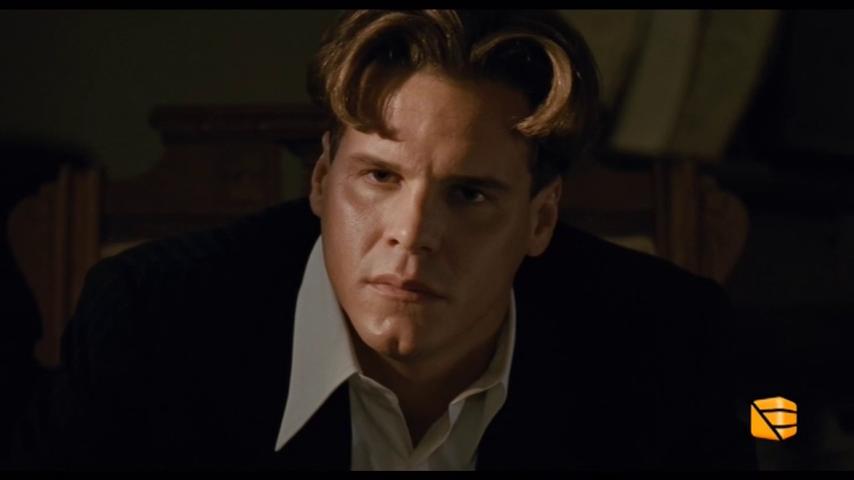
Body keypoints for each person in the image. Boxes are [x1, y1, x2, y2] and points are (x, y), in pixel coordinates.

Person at [8, 10, 756, 470]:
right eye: (379, 177)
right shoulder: (153, 321)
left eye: (469, 194)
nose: (411, 234)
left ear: (540, 220)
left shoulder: (668, 340)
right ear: (321, 179)